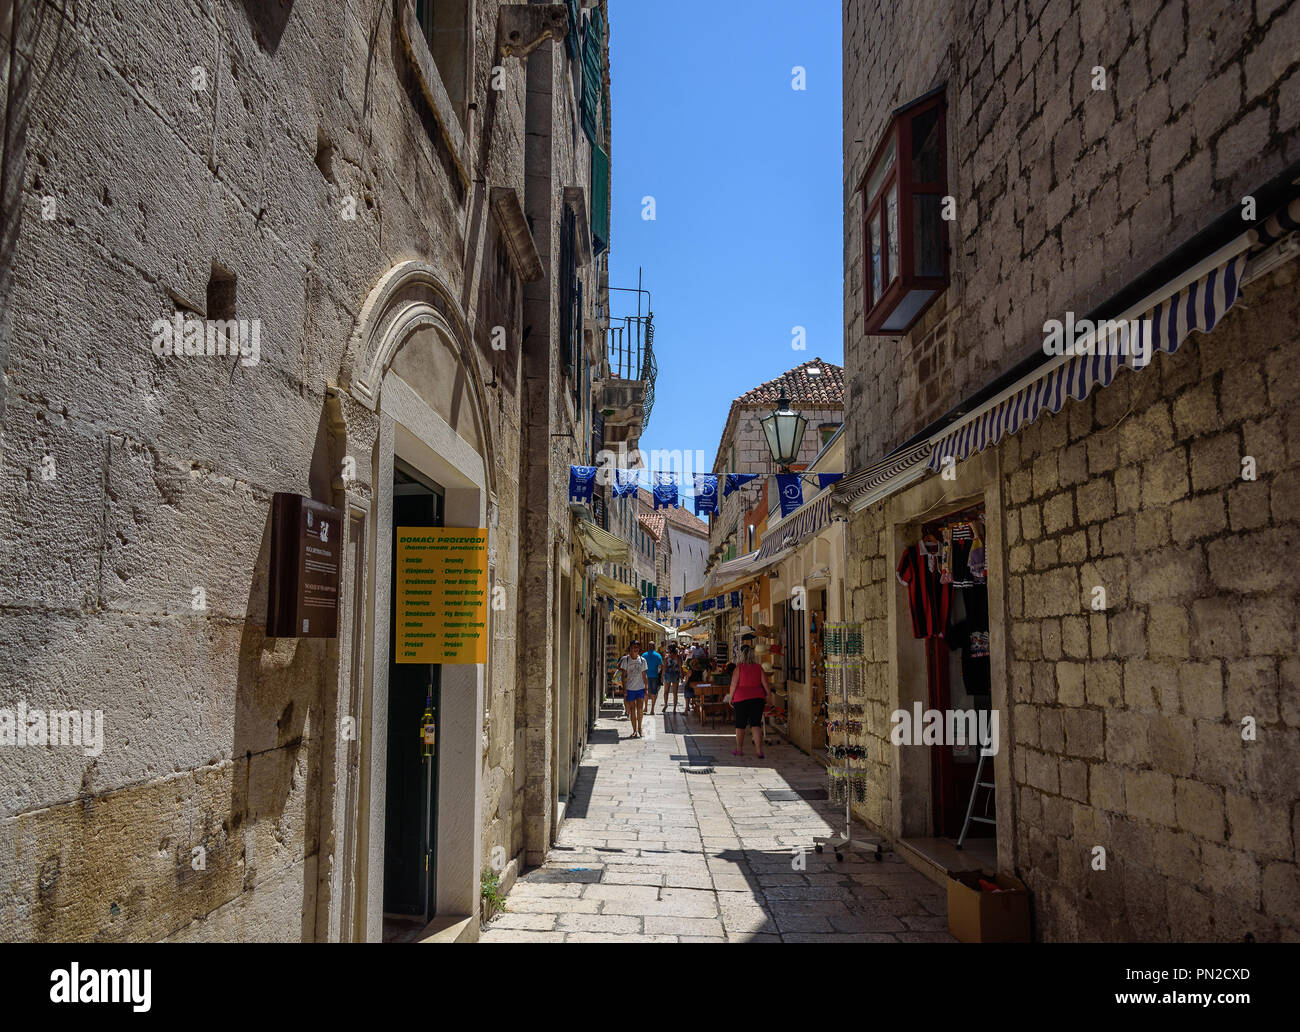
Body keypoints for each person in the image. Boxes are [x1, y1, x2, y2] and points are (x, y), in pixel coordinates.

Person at [727, 643, 771, 758]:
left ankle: (739, 749)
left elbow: (733, 685)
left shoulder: (739, 668)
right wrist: (768, 696)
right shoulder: (759, 668)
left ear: (742, 656)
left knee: (740, 725)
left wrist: (731, 698)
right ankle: (759, 751)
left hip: (741, 699)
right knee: (756, 725)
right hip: (757, 699)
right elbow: (765, 684)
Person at [621, 642, 649, 738]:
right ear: (630, 648)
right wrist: (624, 689)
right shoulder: (626, 660)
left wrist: (646, 688)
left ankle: (640, 729)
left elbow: (644, 675)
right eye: (634, 647)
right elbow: (623, 676)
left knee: (640, 709)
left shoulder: (642, 660)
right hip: (630, 688)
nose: (636, 649)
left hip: (640, 688)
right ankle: (634, 730)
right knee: (632, 709)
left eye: (637, 647)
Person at [617, 641, 640, 723]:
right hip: (626, 680)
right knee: (627, 697)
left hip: (629, 681)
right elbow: (619, 667)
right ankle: (629, 711)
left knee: (626, 697)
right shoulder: (624, 659)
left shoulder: (635, 659)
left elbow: (618, 667)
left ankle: (629, 711)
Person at [643, 641, 664, 715]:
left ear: (648, 647)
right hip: (654, 676)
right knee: (654, 693)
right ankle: (652, 709)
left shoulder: (644, 655)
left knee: (646, 692)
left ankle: (645, 707)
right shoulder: (658, 655)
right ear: (654, 647)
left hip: (645, 676)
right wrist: (658, 673)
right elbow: (660, 666)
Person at [662, 644, 683, 713]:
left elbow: (664, 667)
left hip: (668, 675)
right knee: (675, 693)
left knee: (666, 691)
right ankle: (674, 708)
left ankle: (665, 704)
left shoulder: (666, 657)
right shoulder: (678, 657)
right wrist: (681, 676)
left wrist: (662, 676)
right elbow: (680, 667)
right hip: (675, 675)